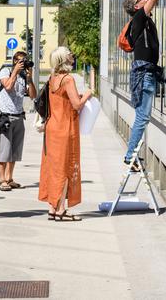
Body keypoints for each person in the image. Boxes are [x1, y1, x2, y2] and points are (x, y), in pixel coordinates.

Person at [121, 0, 166, 168]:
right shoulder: (139, 19)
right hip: (145, 73)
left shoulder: (143, 20)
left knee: (142, 116)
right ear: (136, 6)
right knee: (143, 116)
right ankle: (131, 155)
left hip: (147, 72)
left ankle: (131, 154)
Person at [39, 47, 92, 221]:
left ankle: (52, 208)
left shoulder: (52, 78)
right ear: (63, 59)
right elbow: (77, 105)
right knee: (64, 168)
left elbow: (63, 100)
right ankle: (61, 209)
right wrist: (88, 95)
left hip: (51, 127)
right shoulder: (68, 79)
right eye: (69, 53)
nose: (72, 55)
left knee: (53, 168)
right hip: (64, 128)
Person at [0, 51, 36, 191]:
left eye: (24, 61)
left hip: (19, 116)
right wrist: (15, 72)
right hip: (6, 117)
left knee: (14, 150)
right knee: (5, 150)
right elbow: (7, 86)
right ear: (14, 61)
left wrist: (30, 80)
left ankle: (9, 178)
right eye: (20, 61)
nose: (22, 63)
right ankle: (1, 180)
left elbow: (32, 96)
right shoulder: (5, 71)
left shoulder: (23, 77)